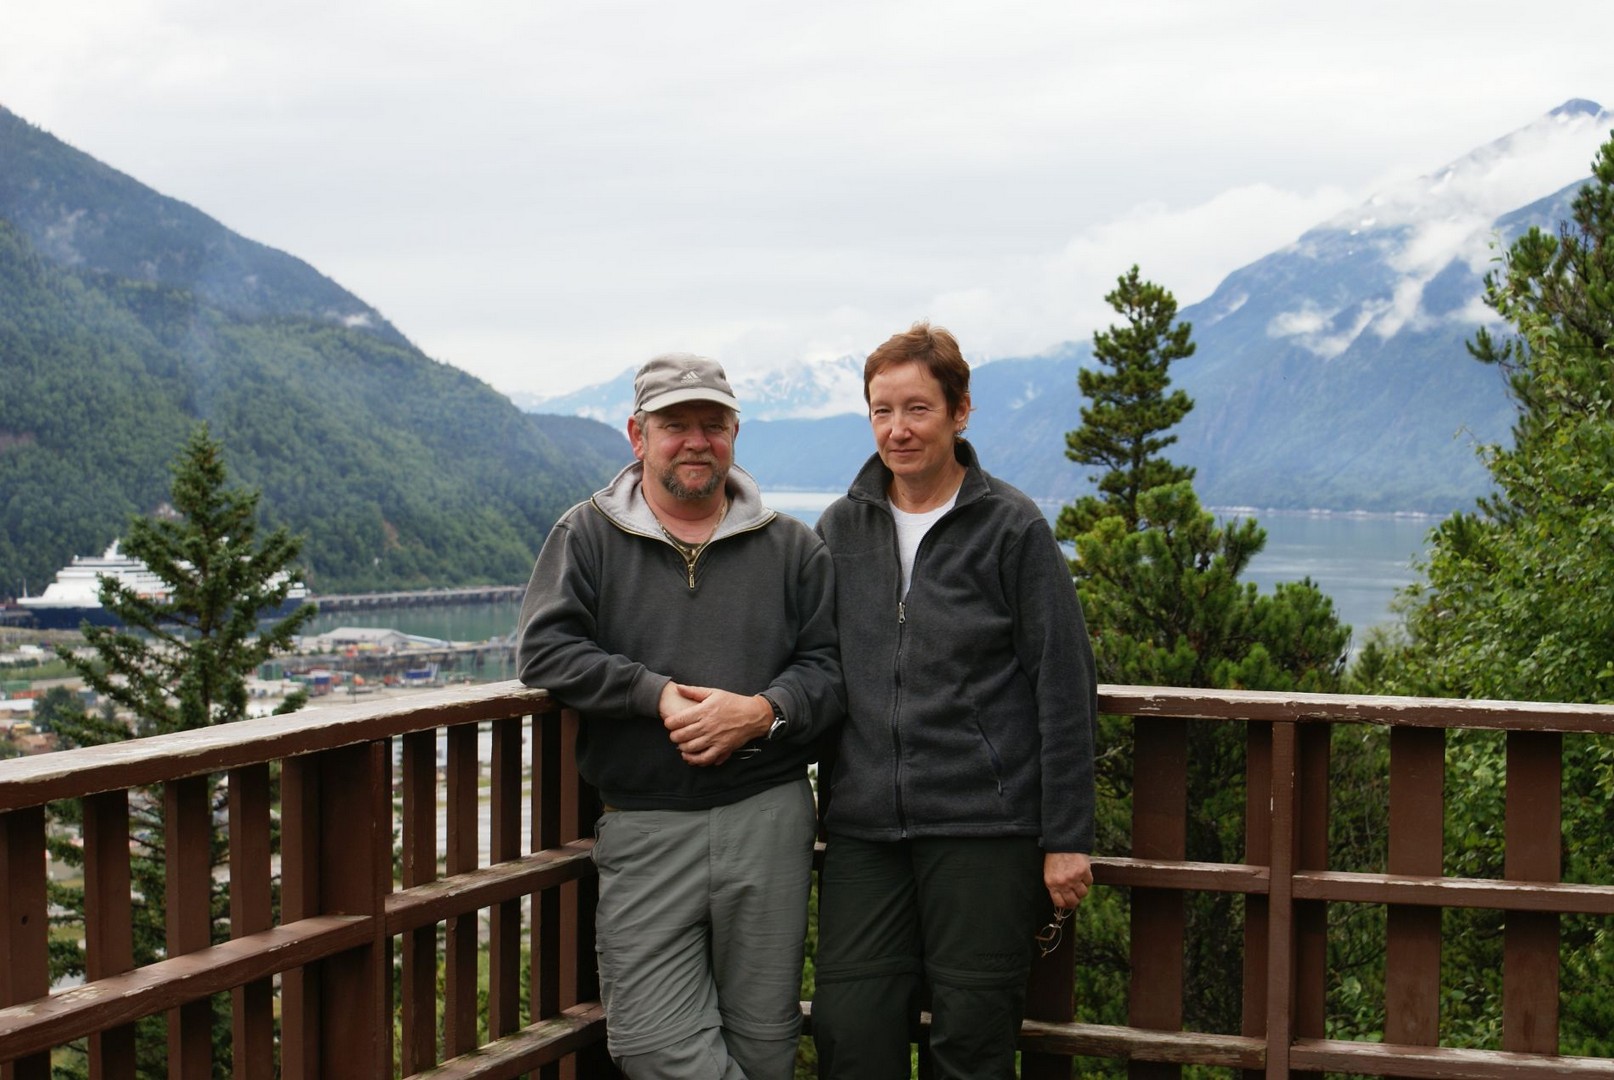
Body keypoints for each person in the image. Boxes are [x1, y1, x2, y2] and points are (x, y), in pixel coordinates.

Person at [517, 352, 843, 1079]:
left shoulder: (792, 546)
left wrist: (762, 712)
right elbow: (544, 651)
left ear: (735, 434)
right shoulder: (586, 534)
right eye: (675, 425)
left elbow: (829, 670)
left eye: (713, 424)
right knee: (650, 1042)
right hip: (644, 822)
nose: (696, 441)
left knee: (764, 1042)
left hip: (768, 817)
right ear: (638, 435)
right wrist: (653, 692)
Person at [811, 321, 1098, 1079]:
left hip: (984, 827)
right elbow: (812, 664)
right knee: (848, 1028)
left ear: (960, 412)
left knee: (972, 1041)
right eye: (881, 411)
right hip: (865, 828)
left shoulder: (1012, 528)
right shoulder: (841, 527)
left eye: (918, 409)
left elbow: (1064, 686)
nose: (897, 430)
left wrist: (1067, 836)